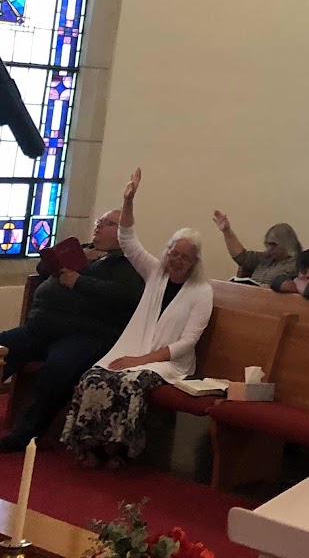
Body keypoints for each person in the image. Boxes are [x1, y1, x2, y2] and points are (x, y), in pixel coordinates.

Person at [63, 169, 213, 468]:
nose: (176, 260)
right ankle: (90, 442)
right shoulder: (156, 273)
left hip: (167, 363)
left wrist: (143, 359)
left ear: (195, 261)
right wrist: (128, 201)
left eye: (183, 257)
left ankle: (117, 450)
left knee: (131, 383)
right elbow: (127, 239)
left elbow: (188, 342)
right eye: (173, 253)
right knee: (94, 376)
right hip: (134, 350)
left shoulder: (201, 291)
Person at [0, 209, 144, 452]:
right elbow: (42, 267)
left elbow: (125, 296)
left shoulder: (129, 263)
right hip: (40, 330)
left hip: (84, 336)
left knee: (57, 369)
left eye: (107, 223)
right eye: (99, 221)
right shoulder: (80, 250)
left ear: (123, 232)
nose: (98, 226)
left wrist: (80, 281)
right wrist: (65, 261)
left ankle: (25, 435)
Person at [210, 211, 299, 285]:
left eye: (273, 245)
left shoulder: (297, 265)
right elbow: (241, 257)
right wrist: (226, 231)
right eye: (267, 245)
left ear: (287, 244)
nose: (269, 249)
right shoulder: (265, 257)